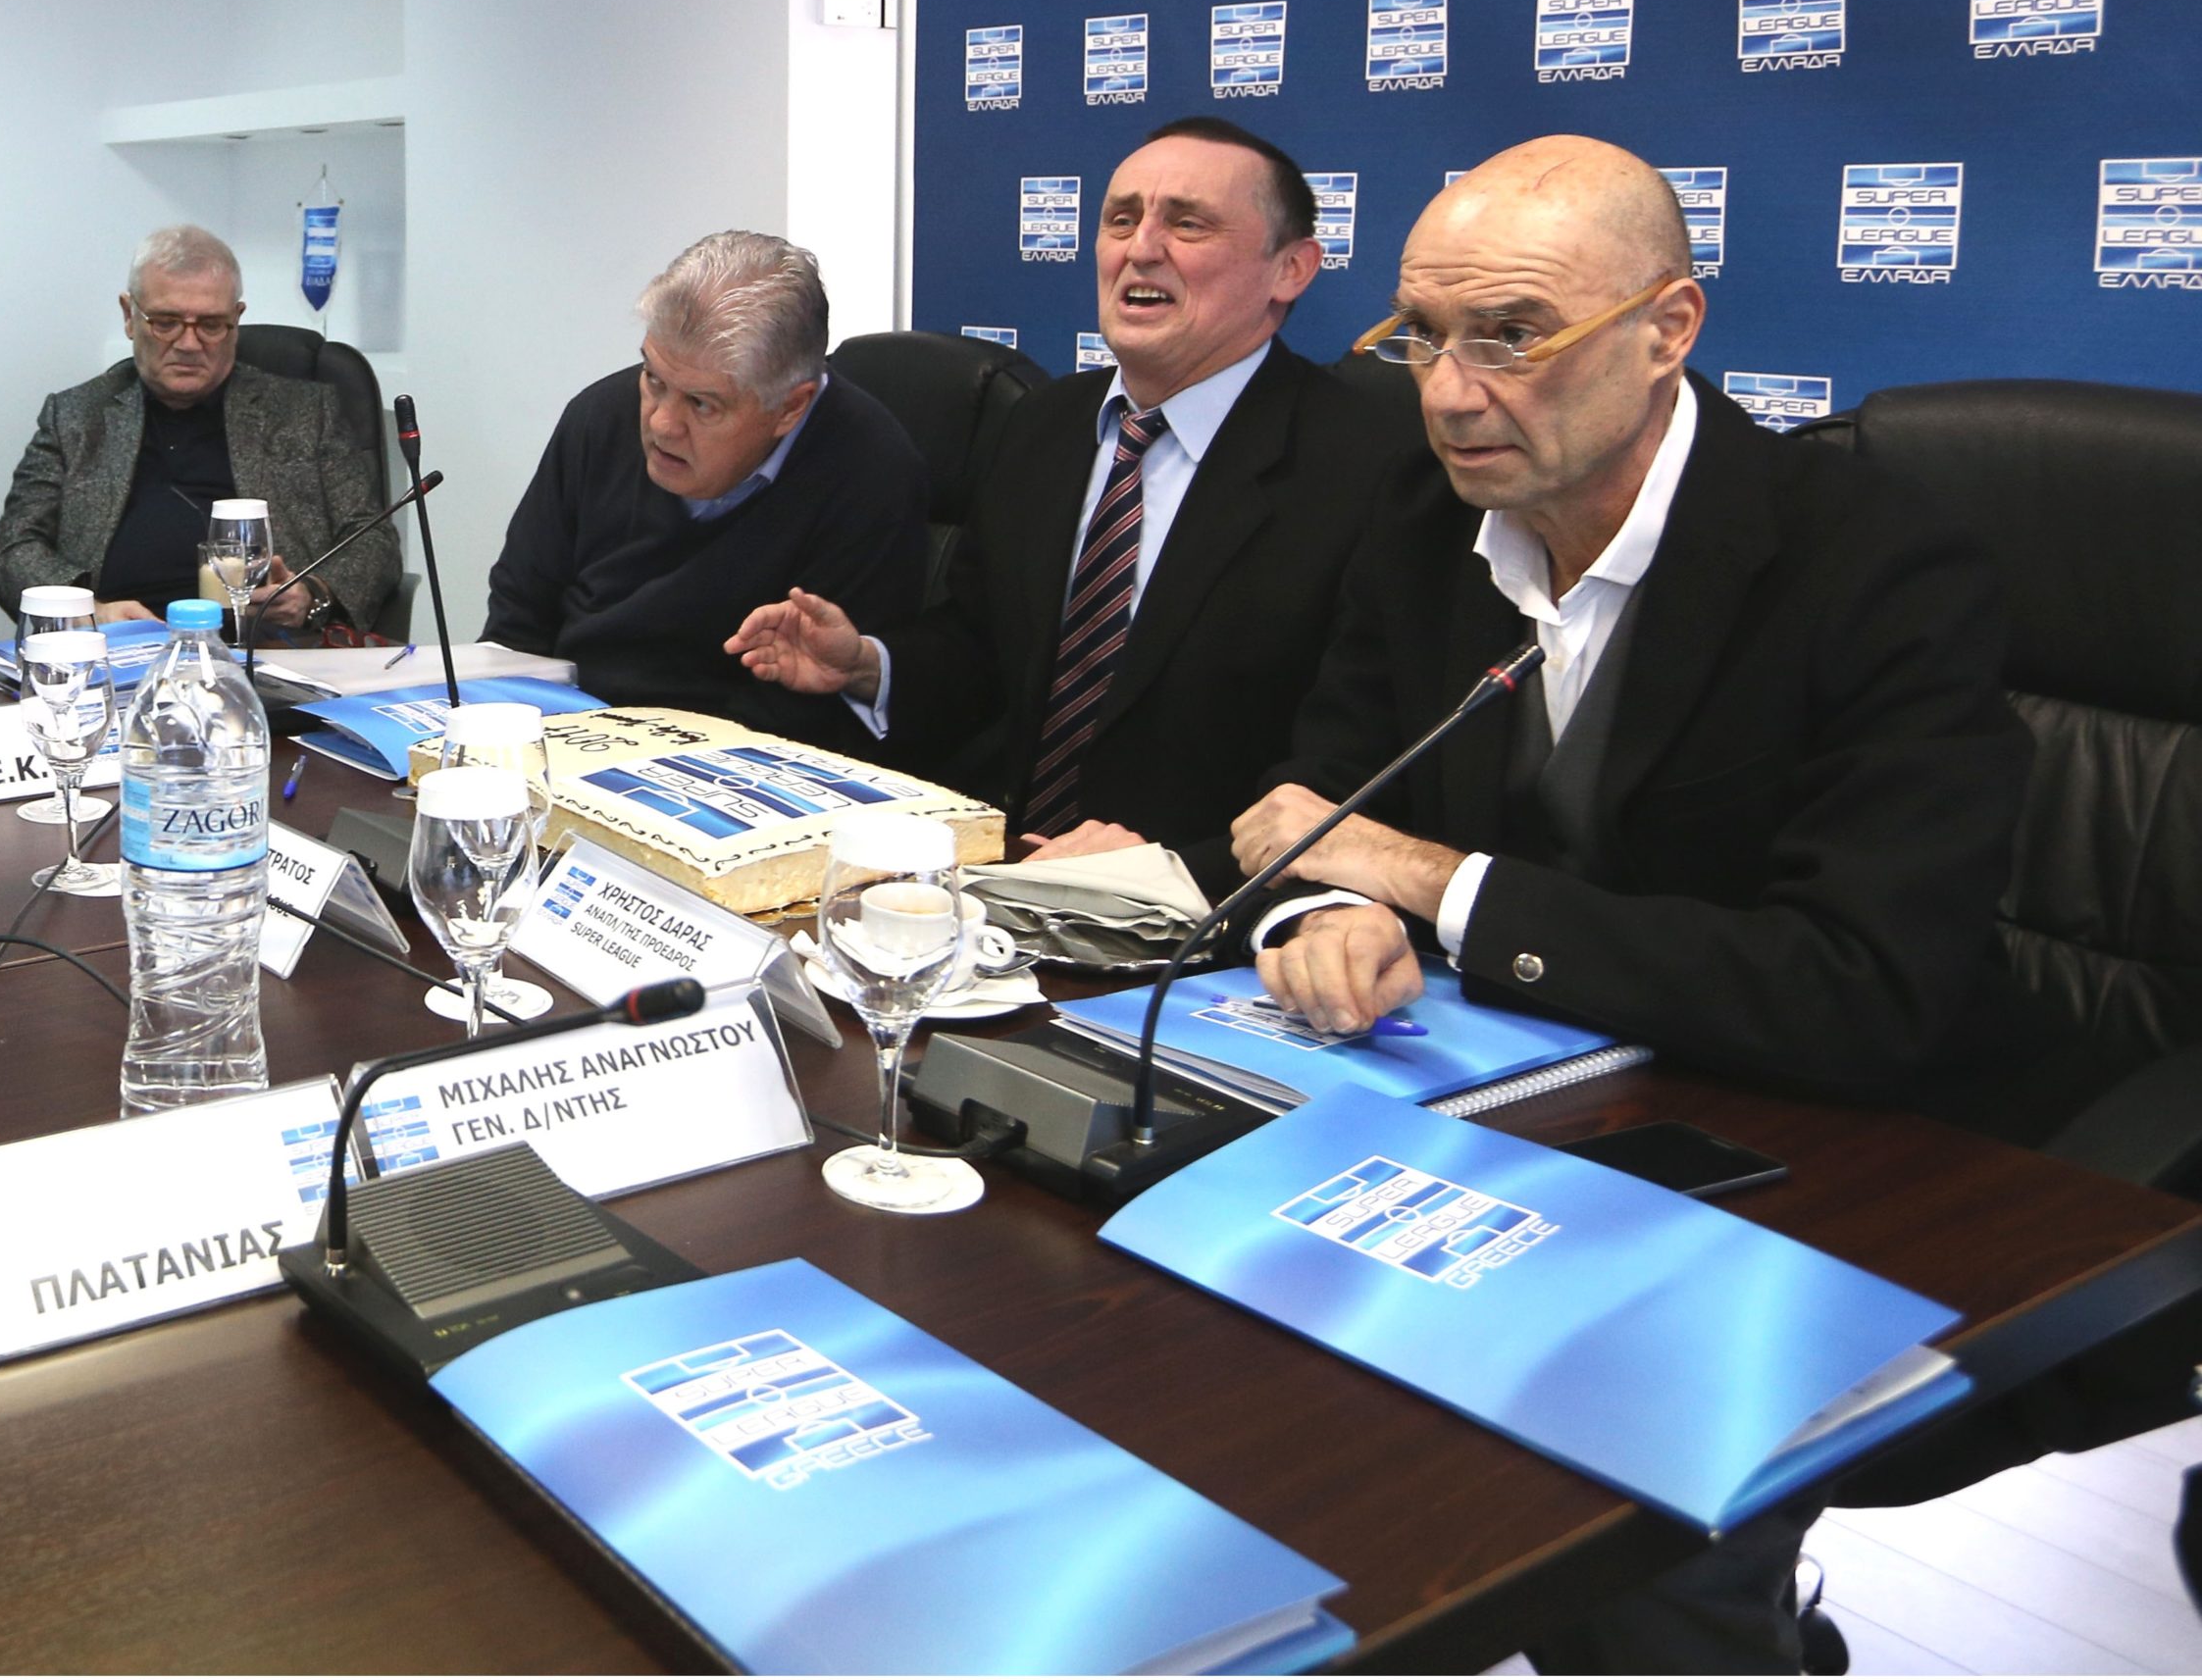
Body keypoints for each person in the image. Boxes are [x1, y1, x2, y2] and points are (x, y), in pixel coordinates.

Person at [1238, 137, 2027, 1672]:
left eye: (1511, 336)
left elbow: (1860, 987)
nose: (1450, 392)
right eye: (1422, 338)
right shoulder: (1426, 518)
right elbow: (1322, 802)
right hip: (1509, 1109)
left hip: (1818, 1146)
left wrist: (1436, 886)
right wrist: (1313, 919)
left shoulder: (1878, 562)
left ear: (1669, 330)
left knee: (1618, 1522)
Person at [725, 118, 1412, 891]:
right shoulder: (1046, 422)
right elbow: (981, 648)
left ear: (1291, 268)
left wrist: (1165, 874)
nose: (1140, 249)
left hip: (1203, 909)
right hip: (1003, 880)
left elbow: (1350, 767)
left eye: (1187, 224)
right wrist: (866, 666)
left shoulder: (1369, 467)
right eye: (1121, 219)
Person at [485, 229, 925, 748]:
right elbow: (518, 619)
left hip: (731, 759)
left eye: (701, 404)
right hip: (564, 728)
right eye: (653, 379)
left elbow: (813, 710)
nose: (661, 424)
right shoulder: (599, 417)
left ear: (790, 407)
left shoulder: (870, 471)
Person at [0, 225, 398, 633]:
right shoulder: (76, 416)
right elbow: (13, 548)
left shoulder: (304, 412)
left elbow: (374, 540)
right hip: (114, 647)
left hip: (269, 646)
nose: (188, 344)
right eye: (166, 323)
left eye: (211, 325)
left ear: (236, 319)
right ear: (129, 316)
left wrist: (310, 594)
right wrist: (90, 611)